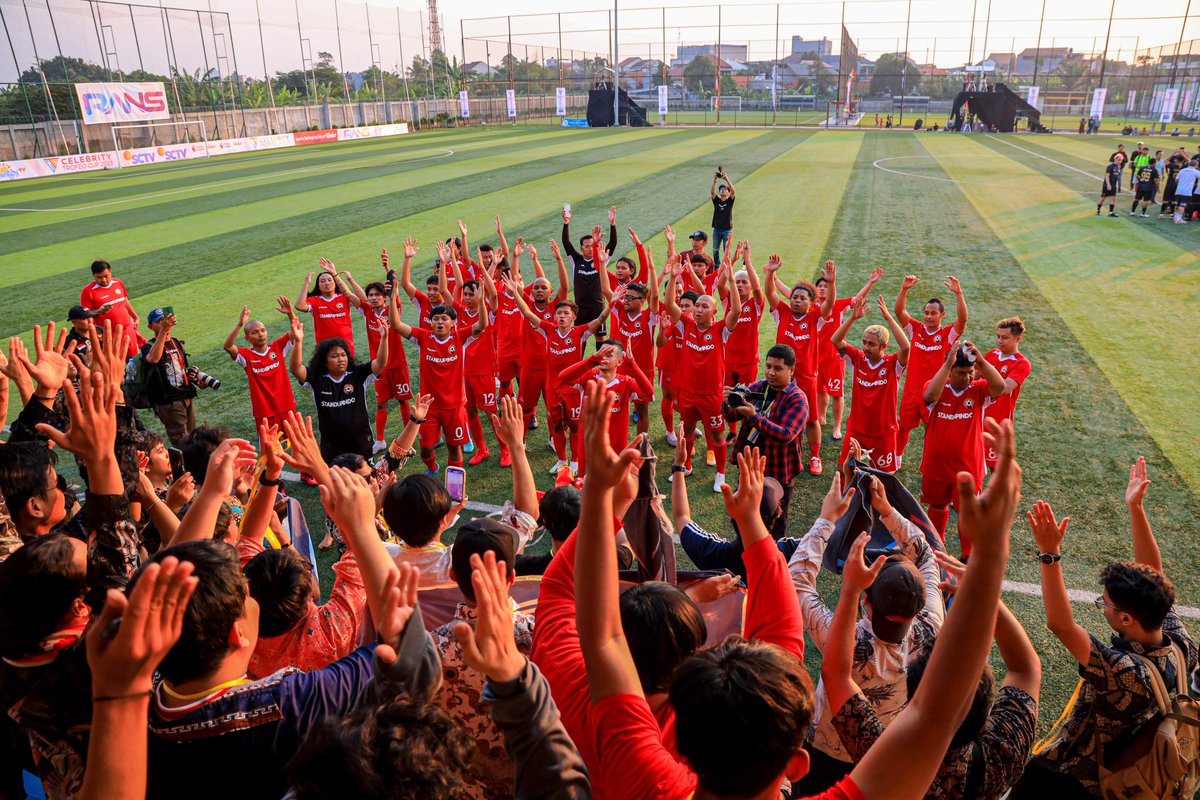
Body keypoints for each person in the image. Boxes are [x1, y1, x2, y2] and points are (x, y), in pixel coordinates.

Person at [572, 375, 1023, 800]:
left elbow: (604, 639)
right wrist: (988, 556)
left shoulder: (641, 772)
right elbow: (932, 718)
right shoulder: (924, 627)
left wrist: (601, 496)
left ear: (679, 738)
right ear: (796, 764)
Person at [1012, 459, 1199, 798]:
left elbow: (1061, 625)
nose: (1103, 606)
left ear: (1127, 618)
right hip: (1119, 777)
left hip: (1070, 777)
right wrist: (1135, 507)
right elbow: (1154, 574)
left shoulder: (1125, 672)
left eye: (1106, 603)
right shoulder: (1180, 644)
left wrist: (1049, 555)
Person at [824, 539, 1040, 800]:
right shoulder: (1003, 755)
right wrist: (987, 595)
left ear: (915, 699)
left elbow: (836, 675)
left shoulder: (885, 758)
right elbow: (1024, 669)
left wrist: (849, 589)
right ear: (984, 712)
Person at [788, 474, 944, 793]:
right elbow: (926, 554)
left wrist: (827, 518)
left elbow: (797, 581)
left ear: (866, 603)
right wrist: (887, 511)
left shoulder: (841, 641)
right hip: (881, 750)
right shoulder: (931, 625)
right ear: (919, 606)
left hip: (825, 753)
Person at [428, 518, 535, 798]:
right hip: (527, 785)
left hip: (461, 789)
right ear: (512, 577)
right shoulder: (539, 635)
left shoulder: (429, 648)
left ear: (452, 574)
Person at [504, 274, 613, 476]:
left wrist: (611, 303)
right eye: (559, 313)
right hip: (553, 387)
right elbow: (528, 314)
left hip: (574, 389)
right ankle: (562, 459)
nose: (561, 316)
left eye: (566, 313)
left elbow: (600, 319)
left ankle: (576, 460)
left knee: (574, 426)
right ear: (554, 317)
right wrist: (516, 293)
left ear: (574, 317)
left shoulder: (581, 332)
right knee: (556, 424)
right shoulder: (548, 330)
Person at [662, 255, 743, 492]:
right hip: (688, 393)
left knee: (717, 436)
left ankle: (720, 474)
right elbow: (669, 305)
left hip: (711, 395)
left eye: (704, 306)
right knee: (686, 432)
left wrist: (729, 281)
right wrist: (673, 276)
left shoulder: (720, 330)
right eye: (697, 306)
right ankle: (685, 466)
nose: (698, 309)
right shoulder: (685, 325)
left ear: (714, 311)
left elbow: (736, 310)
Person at [919, 341, 1006, 552]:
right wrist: (947, 364)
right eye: (961, 372)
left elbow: (1000, 387)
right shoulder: (936, 386)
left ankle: (968, 554)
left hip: (969, 467)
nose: (967, 377)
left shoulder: (978, 390)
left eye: (970, 372)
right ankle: (937, 546)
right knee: (937, 505)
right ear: (950, 371)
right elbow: (929, 396)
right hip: (937, 465)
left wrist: (982, 362)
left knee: (967, 511)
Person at [389, 289, 488, 474]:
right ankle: (432, 468)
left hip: (454, 406)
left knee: (454, 449)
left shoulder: (460, 338)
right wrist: (393, 298)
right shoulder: (422, 338)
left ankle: (453, 484)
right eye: (436, 319)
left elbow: (482, 324)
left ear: (452, 323)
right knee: (425, 450)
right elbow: (395, 324)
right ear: (431, 322)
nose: (440, 322)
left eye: (444, 318)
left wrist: (481, 302)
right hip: (429, 407)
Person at [724, 344, 808, 538]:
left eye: (778, 368)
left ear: (791, 370)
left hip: (778, 472)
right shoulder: (757, 387)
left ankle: (775, 563)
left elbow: (785, 435)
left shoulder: (797, 399)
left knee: (775, 525)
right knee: (744, 518)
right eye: (768, 366)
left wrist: (755, 417)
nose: (771, 373)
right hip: (750, 467)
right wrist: (728, 403)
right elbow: (732, 417)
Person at [763, 256, 835, 475]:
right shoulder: (782, 313)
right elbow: (770, 294)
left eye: (802, 298)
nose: (796, 300)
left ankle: (814, 455)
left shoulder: (815, 318)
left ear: (811, 303)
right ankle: (774, 448)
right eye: (794, 297)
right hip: (780, 377)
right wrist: (771, 273)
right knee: (775, 414)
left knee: (812, 419)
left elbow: (830, 304)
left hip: (806, 377)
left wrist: (831, 283)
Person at [287, 312, 387, 463]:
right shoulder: (316, 379)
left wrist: (384, 338)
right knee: (336, 484)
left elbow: (380, 363)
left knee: (365, 483)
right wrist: (298, 342)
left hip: (360, 444)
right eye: (334, 356)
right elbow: (295, 368)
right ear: (324, 361)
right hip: (332, 448)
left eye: (343, 355)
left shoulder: (358, 374)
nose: (341, 359)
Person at [892, 273, 968, 467]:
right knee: (904, 427)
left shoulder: (947, 334)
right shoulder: (916, 329)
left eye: (933, 313)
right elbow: (899, 311)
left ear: (942, 315)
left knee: (934, 429)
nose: (928, 316)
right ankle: (897, 457)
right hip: (911, 390)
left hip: (935, 393)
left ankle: (932, 460)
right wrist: (904, 288)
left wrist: (959, 293)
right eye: (926, 312)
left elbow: (963, 319)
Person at [829, 295, 911, 472]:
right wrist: (852, 317)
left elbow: (906, 347)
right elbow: (835, 340)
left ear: (883, 346)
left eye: (871, 344)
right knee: (845, 469)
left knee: (882, 476)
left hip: (883, 433)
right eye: (864, 342)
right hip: (856, 429)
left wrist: (888, 317)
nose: (866, 347)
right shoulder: (857, 359)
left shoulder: (893, 365)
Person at [557, 342, 652, 476]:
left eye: (608, 355)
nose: (603, 358)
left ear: (619, 362)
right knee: (586, 489)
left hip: (615, 451)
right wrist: (591, 360)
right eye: (601, 354)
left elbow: (648, 392)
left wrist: (632, 364)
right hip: (588, 448)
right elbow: (563, 376)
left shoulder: (626, 383)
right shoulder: (588, 376)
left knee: (613, 491)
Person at [815, 265, 883, 441]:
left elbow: (857, 299)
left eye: (826, 286)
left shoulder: (837, 304)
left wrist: (870, 282)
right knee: (819, 390)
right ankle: (821, 415)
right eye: (820, 286)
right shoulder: (810, 306)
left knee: (837, 393)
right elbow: (790, 296)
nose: (823, 288)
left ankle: (837, 426)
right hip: (814, 358)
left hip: (834, 358)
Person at [222, 303, 297, 441]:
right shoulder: (246, 356)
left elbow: (297, 330)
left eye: (262, 330)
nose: (260, 334)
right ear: (247, 338)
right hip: (264, 413)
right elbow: (227, 346)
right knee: (270, 454)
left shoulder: (278, 347)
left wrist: (290, 313)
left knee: (300, 447)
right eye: (254, 332)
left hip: (287, 408)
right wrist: (239, 325)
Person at [608, 248, 660, 440]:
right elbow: (606, 290)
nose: (626, 300)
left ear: (642, 301)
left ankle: (641, 444)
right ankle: (616, 441)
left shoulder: (648, 317)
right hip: (621, 370)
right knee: (616, 408)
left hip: (642, 371)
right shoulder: (619, 310)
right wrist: (601, 259)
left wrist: (653, 267)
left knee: (642, 409)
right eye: (625, 296)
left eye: (630, 297)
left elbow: (654, 296)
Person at [359, 272, 413, 454]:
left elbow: (395, 292)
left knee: (403, 401)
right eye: (370, 295)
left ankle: (409, 437)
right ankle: (380, 440)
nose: (373, 298)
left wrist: (388, 269)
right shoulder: (367, 311)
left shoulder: (392, 309)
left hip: (398, 364)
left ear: (384, 297)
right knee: (381, 403)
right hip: (379, 367)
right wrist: (344, 277)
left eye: (377, 295)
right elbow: (354, 296)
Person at [141, 308, 198, 447]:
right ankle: (183, 468)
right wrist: (163, 332)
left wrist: (192, 376)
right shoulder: (148, 346)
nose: (164, 323)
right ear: (150, 326)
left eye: (165, 320)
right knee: (181, 442)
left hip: (185, 395)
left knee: (194, 437)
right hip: (169, 401)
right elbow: (153, 358)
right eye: (159, 321)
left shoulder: (175, 342)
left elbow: (181, 368)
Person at [983, 317, 1031, 469]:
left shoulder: (1022, 363)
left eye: (1005, 338)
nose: (999, 341)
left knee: (995, 467)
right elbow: (972, 379)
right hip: (978, 417)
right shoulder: (991, 354)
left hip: (999, 422)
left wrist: (981, 363)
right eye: (998, 336)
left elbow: (1004, 389)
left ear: (1018, 339)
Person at [293, 258, 364, 356]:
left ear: (335, 283)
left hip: (346, 347)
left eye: (330, 280)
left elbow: (363, 300)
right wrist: (306, 284)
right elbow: (299, 306)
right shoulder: (314, 300)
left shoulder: (345, 297)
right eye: (322, 281)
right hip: (324, 349)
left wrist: (339, 275)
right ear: (318, 285)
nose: (327, 283)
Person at [561, 204, 618, 327]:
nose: (591, 248)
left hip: (598, 307)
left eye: (592, 245)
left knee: (600, 339)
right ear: (581, 248)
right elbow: (566, 242)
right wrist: (566, 223)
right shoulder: (576, 260)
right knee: (579, 339)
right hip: (580, 308)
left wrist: (612, 224)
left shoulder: (601, 260)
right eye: (587, 246)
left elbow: (612, 243)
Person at [79, 259, 143, 358]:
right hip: (109, 334)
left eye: (106, 276)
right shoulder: (88, 291)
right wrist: (99, 311)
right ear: (93, 275)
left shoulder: (118, 282)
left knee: (135, 359)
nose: (103, 280)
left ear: (110, 272)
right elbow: (85, 315)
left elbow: (125, 300)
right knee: (116, 363)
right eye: (99, 277)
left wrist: (135, 317)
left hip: (128, 329)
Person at [710, 168, 736, 263]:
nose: (722, 190)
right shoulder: (717, 201)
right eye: (721, 189)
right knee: (715, 250)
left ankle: (726, 266)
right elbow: (712, 193)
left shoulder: (730, 201)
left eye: (725, 189)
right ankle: (717, 266)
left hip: (727, 230)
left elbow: (734, 192)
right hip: (717, 229)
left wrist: (727, 179)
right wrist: (715, 181)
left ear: (728, 193)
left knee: (726, 250)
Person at [1172, 157, 1200, 223]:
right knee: (1182, 205)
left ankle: (1176, 217)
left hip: (1178, 190)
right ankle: (1179, 219)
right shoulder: (1196, 172)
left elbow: (1176, 179)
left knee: (1177, 204)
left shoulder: (1182, 170)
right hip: (1187, 191)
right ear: (1196, 165)